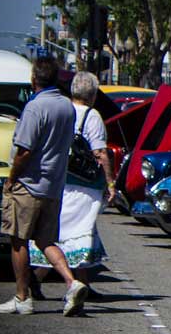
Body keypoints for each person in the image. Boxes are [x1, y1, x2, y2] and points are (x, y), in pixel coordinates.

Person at [0, 56, 87, 317]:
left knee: (18, 239)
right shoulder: (66, 106)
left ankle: (22, 297)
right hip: (53, 184)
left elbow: (24, 150)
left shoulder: (35, 107)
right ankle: (72, 282)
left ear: (34, 79)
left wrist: (12, 178)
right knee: (45, 239)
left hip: (29, 183)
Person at [29, 71, 115, 301]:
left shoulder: (62, 109)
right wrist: (110, 182)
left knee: (60, 231)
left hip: (58, 179)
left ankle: (60, 280)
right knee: (81, 231)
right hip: (84, 184)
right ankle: (61, 281)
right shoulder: (92, 116)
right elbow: (100, 152)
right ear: (93, 94)